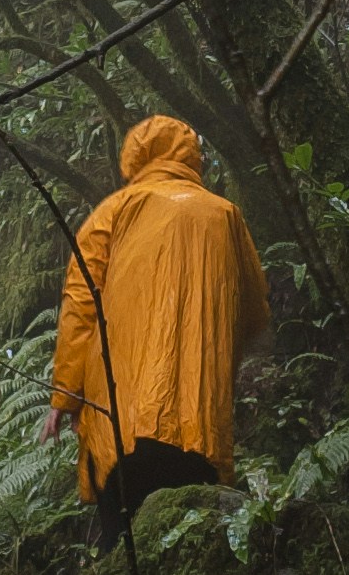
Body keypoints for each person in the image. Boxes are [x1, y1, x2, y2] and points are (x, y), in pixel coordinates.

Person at [46, 115, 271, 543]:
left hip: (121, 417)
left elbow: (80, 306)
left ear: (135, 157)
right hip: (198, 420)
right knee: (190, 546)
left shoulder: (113, 212)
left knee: (123, 551)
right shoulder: (226, 216)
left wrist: (65, 397)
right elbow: (254, 311)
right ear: (192, 157)